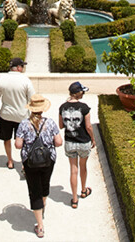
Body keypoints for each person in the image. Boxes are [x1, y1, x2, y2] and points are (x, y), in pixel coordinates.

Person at [15, 95, 62, 239]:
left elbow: (18, 145)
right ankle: (42, 207)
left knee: (34, 190)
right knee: (45, 185)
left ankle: (40, 226)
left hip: (30, 162)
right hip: (48, 159)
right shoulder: (51, 123)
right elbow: (59, 142)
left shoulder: (24, 124)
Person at [0, 57, 35, 169]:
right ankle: (24, 164)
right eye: (23, 66)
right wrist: (34, 116)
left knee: (7, 138)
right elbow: (32, 100)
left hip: (6, 115)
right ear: (19, 68)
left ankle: (10, 161)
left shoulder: (2, 79)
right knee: (24, 141)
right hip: (22, 116)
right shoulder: (26, 80)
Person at [58, 81, 95, 209]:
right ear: (78, 93)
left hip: (70, 142)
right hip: (83, 142)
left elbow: (61, 125)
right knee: (83, 167)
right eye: (82, 91)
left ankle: (74, 199)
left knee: (73, 170)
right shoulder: (84, 108)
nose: (83, 93)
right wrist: (93, 139)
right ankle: (83, 191)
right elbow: (89, 127)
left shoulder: (62, 107)